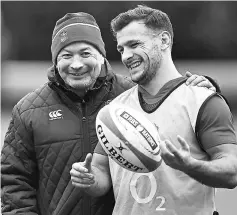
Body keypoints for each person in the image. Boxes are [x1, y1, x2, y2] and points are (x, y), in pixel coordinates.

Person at [1, 11, 216, 215]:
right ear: (56, 61)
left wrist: (204, 85)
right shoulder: (27, 110)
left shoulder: (132, 95)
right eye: (66, 55)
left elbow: (176, 99)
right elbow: (14, 182)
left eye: (86, 53)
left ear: (102, 56)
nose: (76, 64)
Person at [70, 5, 237, 215]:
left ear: (164, 41)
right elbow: (102, 172)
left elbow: (231, 172)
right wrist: (89, 178)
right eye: (122, 49)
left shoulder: (203, 101)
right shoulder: (114, 110)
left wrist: (189, 165)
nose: (126, 56)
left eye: (134, 44)